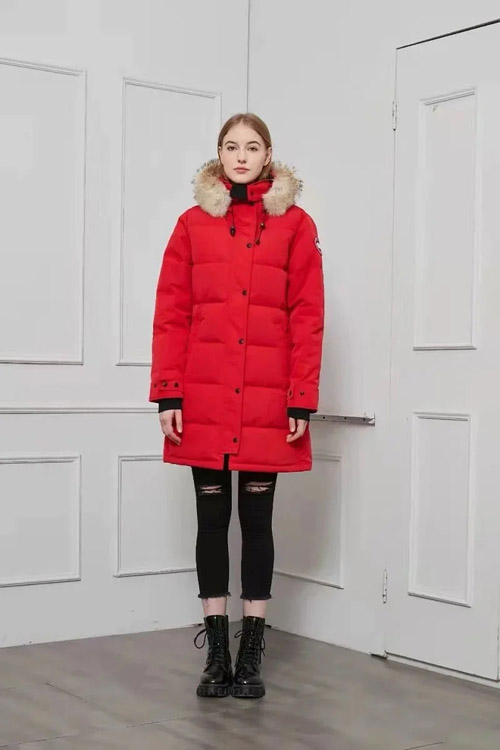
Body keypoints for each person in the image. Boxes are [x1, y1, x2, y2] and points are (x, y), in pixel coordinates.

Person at [149, 112, 324, 699]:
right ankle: (216, 652)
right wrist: (168, 391)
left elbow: (307, 316)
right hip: (203, 396)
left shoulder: (296, 225)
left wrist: (301, 398)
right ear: (219, 155)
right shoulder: (190, 225)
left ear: (268, 155)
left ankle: (251, 650)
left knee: (256, 522)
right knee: (210, 521)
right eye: (231, 146)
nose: (241, 156)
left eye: (252, 147)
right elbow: (171, 313)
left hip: (268, 400)